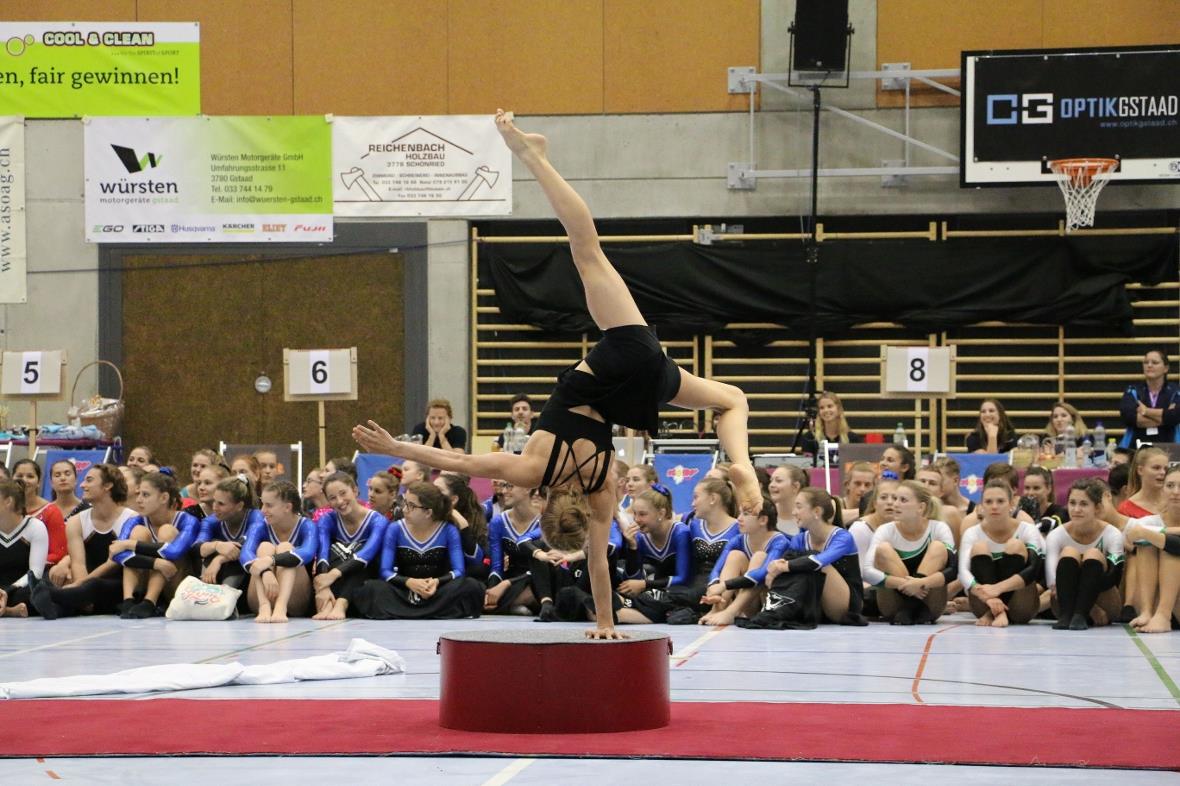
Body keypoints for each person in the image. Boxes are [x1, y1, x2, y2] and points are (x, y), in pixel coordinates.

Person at [354, 111, 761, 639]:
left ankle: (741, 463)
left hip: (641, 385)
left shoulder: (599, 492)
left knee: (730, 399)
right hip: (614, 362)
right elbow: (458, 460)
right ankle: (533, 158)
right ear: (543, 506)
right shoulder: (531, 470)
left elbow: (598, 562)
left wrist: (607, 624)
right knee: (585, 250)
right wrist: (399, 449)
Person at [350, 481, 483, 619]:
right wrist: (409, 582)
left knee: (471, 587)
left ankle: (408, 611)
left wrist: (437, 581)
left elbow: (459, 571)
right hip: (404, 591)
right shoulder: (395, 528)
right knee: (372, 589)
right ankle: (434, 611)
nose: (404, 509)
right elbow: (385, 571)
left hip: (437, 591)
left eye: (411, 506)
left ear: (428, 512)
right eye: (405, 503)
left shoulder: (448, 530)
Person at [31, 465, 135, 619]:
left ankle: (50, 594)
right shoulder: (76, 521)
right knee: (72, 584)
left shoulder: (131, 519)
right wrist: (83, 593)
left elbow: (114, 562)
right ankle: (56, 607)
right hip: (87, 585)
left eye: (89, 480)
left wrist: (82, 585)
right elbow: (78, 563)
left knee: (94, 586)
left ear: (107, 486)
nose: (82, 485)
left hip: (121, 585)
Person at [109, 471, 202, 618]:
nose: (138, 500)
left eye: (145, 495)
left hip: (176, 589)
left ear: (164, 497)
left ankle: (150, 602)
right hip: (144, 585)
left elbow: (174, 552)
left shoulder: (188, 521)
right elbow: (116, 553)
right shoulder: (135, 521)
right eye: (138, 494)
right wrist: (156, 563)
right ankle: (128, 600)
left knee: (167, 532)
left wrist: (129, 544)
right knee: (139, 532)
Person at [764, 487, 864, 624]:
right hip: (815, 602)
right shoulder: (799, 539)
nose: (794, 512)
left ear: (816, 511)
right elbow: (781, 565)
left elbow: (819, 561)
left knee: (820, 565)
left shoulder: (843, 537)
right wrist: (773, 573)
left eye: (798, 507)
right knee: (767, 563)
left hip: (845, 607)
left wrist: (785, 566)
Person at [863, 480, 957, 624]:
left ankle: (912, 606)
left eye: (903, 500)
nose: (894, 504)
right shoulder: (886, 530)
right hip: (893, 609)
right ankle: (911, 606)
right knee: (883, 549)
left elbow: (954, 569)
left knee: (938, 547)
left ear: (921, 507)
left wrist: (922, 582)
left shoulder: (938, 528)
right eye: (895, 499)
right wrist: (907, 585)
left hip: (930, 607)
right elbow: (867, 571)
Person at [959, 480, 1046, 627]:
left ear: (1012, 504)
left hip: (1021, 605)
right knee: (980, 547)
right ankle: (997, 612)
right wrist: (987, 597)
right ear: (980, 507)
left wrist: (997, 589)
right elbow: (962, 572)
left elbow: (1034, 569)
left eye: (1000, 501)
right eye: (988, 501)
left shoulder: (1027, 529)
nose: (994, 506)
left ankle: (995, 612)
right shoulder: (972, 533)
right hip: (984, 603)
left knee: (1015, 545)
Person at [1046, 478, 1125, 630]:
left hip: (1104, 601)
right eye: (1072, 503)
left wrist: (1089, 604)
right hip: (1064, 604)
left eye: (1083, 504)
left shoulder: (1112, 534)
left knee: (1093, 554)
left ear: (1097, 508)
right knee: (1070, 552)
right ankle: (1069, 615)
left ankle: (1080, 615)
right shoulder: (1056, 535)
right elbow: (1052, 582)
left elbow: (1115, 576)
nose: (1076, 509)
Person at [312, 472, 390, 620]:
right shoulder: (327, 520)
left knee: (364, 552)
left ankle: (341, 603)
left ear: (354, 490)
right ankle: (328, 604)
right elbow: (322, 553)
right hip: (333, 583)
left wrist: (332, 575)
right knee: (332, 550)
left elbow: (368, 553)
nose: (340, 501)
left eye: (343, 493)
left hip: (363, 583)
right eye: (332, 498)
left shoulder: (378, 521)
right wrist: (323, 586)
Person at [699, 495, 785, 626]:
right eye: (739, 513)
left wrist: (724, 585)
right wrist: (713, 590)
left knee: (759, 557)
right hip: (749, 605)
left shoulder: (780, 541)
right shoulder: (738, 540)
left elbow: (762, 574)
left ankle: (731, 612)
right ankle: (718, 607)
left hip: (770, 604)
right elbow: (716, 569)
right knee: (735, 556)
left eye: (745, 514)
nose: (739, 518)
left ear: (763, 520)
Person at [242, 480, 318, 623]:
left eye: (269, 505)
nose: (263, 510)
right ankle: (264, 606)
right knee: (265, 546)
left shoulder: (306, 525)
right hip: (259, 598)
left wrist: (271, 560)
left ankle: (280, 606)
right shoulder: (259, 526)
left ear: (287, 507)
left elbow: (307, 552)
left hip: (295, 601)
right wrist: (266, 572)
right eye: (262, 504)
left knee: (286, 547)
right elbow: (245, 554)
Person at [615, 486, 692, 624]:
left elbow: (683, 578)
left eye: (642, 514)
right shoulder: (640, 538)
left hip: (680, 592)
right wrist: (632, 547)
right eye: (635, 514)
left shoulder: (680, 533)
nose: (636, 519)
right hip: (654, 591)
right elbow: (633, 580)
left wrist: (645, 584)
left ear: (661, 513)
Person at [1122, 464, 1180, 633]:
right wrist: (1149, 533)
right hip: (1157, 600)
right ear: (1162, 490)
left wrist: (1156, 533)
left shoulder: (1146, 527)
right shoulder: (1150, 521)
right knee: (1147, 544)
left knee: (1171, 547)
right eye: (1170, 486)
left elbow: (1140, 532)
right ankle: (1147, 612)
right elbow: (1132, 537)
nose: (1176, 492)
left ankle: (1163, 615)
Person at [483, 482, 543, 614]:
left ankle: (522, 602)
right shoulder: (498, 522)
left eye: (510, 486)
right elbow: (496, 565)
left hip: (538, 579)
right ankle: (516, 603)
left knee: (535, 590)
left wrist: (506, 584)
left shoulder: (545, 521)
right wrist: (492, 591)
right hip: (513, 578)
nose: (504, 491)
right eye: (504, 486)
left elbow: (546, 567)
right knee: (478, 592)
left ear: (527, 488)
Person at [196, 476, 264, 592]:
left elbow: (247, 543)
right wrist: (217, 545)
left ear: (239, 506)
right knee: (212, 547)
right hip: (218, 575)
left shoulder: (256, 516)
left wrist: (219, 560)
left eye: (221, 504)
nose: (214, 507)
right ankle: (206, 593)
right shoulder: (211, 521)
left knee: (236, 554)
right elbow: (197, 548)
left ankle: (225, 595)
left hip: (248, 582)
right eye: (214, 501)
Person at [0, 478, 49, 618]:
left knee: (40, 592)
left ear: (8, 501)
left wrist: (7, 591)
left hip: (20, 589)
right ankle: (10, 611)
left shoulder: (35, 527)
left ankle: (7, 608)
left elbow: (36, 572)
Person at [434, 472, 490, 581]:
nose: (431, 494)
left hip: (456, 582)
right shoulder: (426, 517)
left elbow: (479, 564)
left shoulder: (468, 522)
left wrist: (464, 529)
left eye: (438, 491)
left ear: (453, 500)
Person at [1119, 348, 1180, 446]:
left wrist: (1146, 411)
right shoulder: (1132, 390)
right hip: (1136, 447)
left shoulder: (1176, 391)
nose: (1149, 365)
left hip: (1170, 446)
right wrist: (1165, 417)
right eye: (1146, 362)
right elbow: (1129, 417)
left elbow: (1176, 416)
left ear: (1166, 368)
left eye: (1155, 362)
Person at [12, 459, 66, 569]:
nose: (24, 480)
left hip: (38, 573)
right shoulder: (4, 509)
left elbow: (57, 553)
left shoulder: (51, 512)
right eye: (20, 476)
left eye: (30, 476)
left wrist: (29, 566)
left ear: (39, 482)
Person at [800, 390, 862, 457]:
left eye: (830, 406)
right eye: (822, 408)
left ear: (838, 409)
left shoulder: (853, 439)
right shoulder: (809, 438)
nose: (826, 410)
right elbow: (806, 465)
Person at [1022, 465, 1068, 531]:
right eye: (1027, 488)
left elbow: (1047, 525)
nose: (1030, 493)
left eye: (1036, 488)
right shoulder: (1021, 510)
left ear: (1049, 488)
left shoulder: (1061, 512)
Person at [768, 465, 807, 535]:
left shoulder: (809, 517)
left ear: (795, 486)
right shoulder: (765, 514)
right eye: (771, 481)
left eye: (778, 481)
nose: (771, 485)